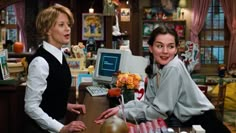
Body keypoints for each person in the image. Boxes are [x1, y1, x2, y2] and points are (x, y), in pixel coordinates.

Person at [95, 25, 230, 132]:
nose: (165, 51)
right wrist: (121, 109)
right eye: (160, 46)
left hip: (204, 123)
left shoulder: (173, 67)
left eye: (170, 46)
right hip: (189, 122)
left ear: (177, 49)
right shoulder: (156, 67)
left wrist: (122, 114)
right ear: (151, 48)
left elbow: (159, 112)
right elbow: (149, 103)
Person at [24, 4, 87, 133]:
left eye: (68, 25)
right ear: (47, 30)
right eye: (61, 25)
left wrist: (66, 106)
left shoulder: (60, 54)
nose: (67, 29)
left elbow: (50, 94)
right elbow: (30, 107)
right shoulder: (40, 62)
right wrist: (61, 128)